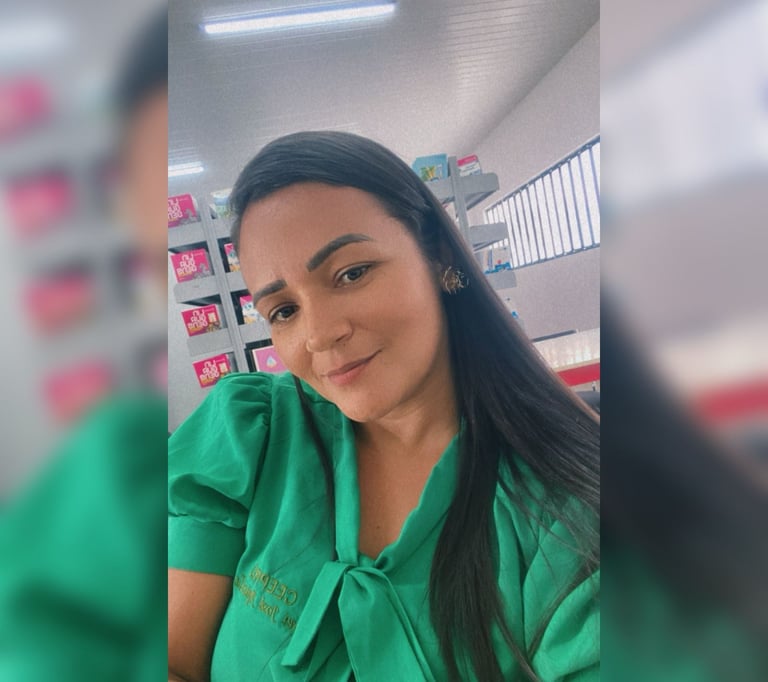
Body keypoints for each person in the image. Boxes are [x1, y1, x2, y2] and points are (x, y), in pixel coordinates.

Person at [168, 131, 600, 682]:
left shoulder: (569, 520)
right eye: (283, 310)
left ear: (437, 254)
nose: (319, 334)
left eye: (351, 273)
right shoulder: (253, 436)